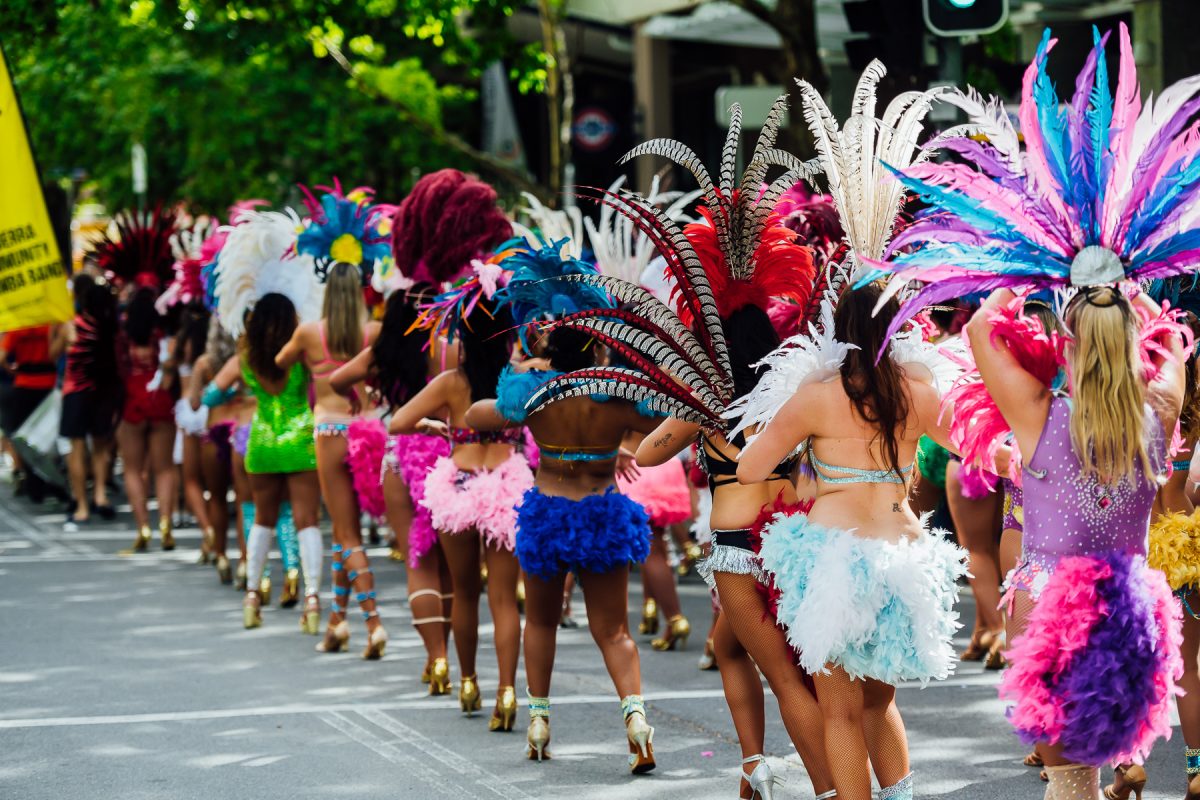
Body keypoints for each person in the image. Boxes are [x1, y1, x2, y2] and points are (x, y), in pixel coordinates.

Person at [862, 25, 1197, 797]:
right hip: (1133, 611)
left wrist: (1033, 269)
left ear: (1066, 335)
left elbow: (981, 326)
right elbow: (1170, 343)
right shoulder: (1161, 411)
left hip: (1051, 605)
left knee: (1065, 779)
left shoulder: (1040, 418)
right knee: (1093, 768)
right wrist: (1124, 284)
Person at [738, 284, 966, 800]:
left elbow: (750, 467)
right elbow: (976, 448)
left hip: (830, 564)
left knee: (838, 711)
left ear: (838, 334)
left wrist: (804, 453)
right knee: (879, 704)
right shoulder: (919, 393)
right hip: (901, 560)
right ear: (897, 328)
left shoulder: (816, 397)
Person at [389, 270, 530, 729]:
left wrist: (432, 425)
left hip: (458, 487)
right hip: (508, 483)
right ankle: (508, 692)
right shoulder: (520, 379)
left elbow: (398, 422)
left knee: (465, 592)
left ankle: (468, 682)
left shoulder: (451, 382)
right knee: (504, 598)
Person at [330, 286, 456, 693]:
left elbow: (336, 379)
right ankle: (447, 656)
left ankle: (435, 659)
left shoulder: (381, 354)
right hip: (448, 457)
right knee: (449, 566)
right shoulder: (446, 352)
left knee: (417, 563)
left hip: (398, 454)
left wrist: (360, 394)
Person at [211, 207, 326, 634]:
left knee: (260, 518)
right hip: (301, 438)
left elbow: (213, 392)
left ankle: (252, 598)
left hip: (259, 439)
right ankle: (312, 600)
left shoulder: (245, 353)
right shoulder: (300, 348)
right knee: (307, 520)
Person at [277, 261, 382, 653]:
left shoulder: (308, 333)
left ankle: (374, 624)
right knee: (343, 531)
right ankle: (337, 623)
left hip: (329, 433)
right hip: (368, 434)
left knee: (346, 532)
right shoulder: (372, 332)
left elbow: (278, 363)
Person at [117, 286, 179, 552]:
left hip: (131, 401)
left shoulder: (122, 338)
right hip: (160, 400)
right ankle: (165, 524)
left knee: (132, 469)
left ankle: (143, 527)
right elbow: (170, 370)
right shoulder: (162, 336)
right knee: (164, 468)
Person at [59, 276, 120, 526]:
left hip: (75, 393)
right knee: (100, 448)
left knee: (76, 450)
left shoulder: (73, 326)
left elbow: (58, 353)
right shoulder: (111, 329)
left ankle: (82, 505)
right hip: (103, 394)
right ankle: (100, 496)